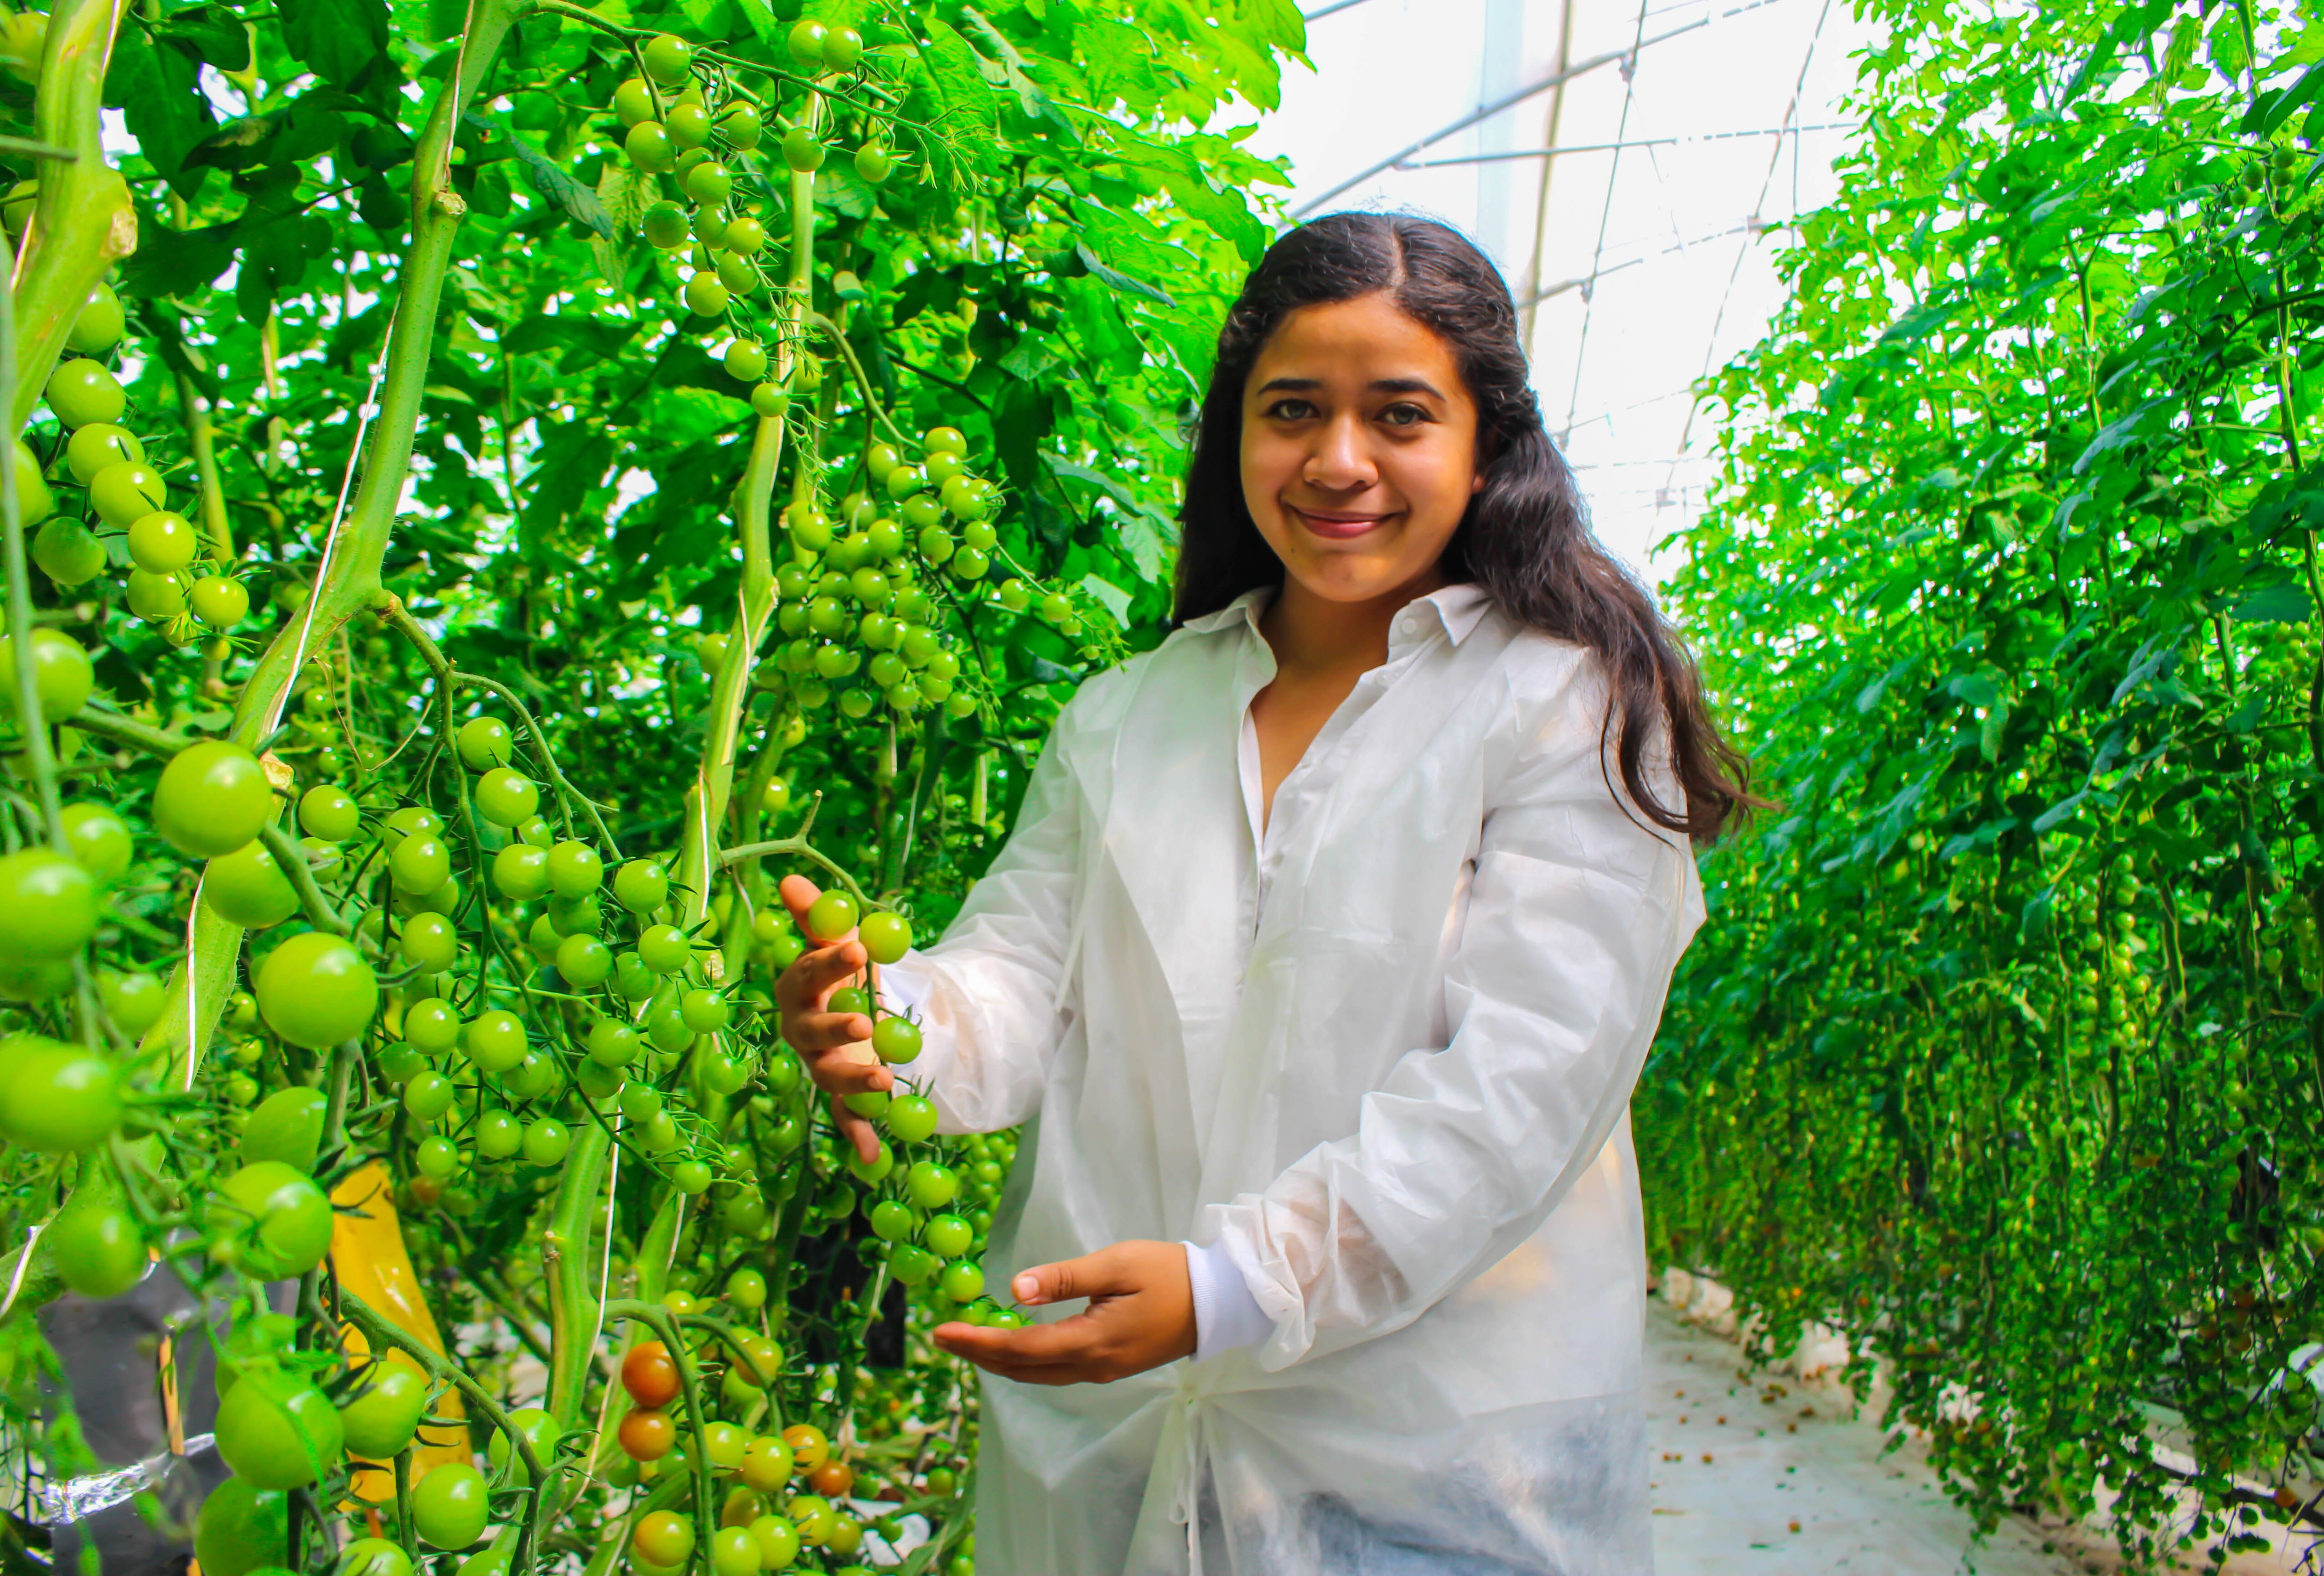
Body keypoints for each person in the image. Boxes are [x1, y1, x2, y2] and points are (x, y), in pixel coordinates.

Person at [774, 211, 1754, 1576]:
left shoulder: (1559, 703)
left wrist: (1238, 1285)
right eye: (1291, 410)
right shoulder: (1129, 715)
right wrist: (893, 1020)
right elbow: (1016, 977)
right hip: (1115, 1435)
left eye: (1399, 415)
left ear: (1486, 447)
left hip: (1430, 1454)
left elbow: (1526, 1083)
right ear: (1236, 436)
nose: (1338, 461)